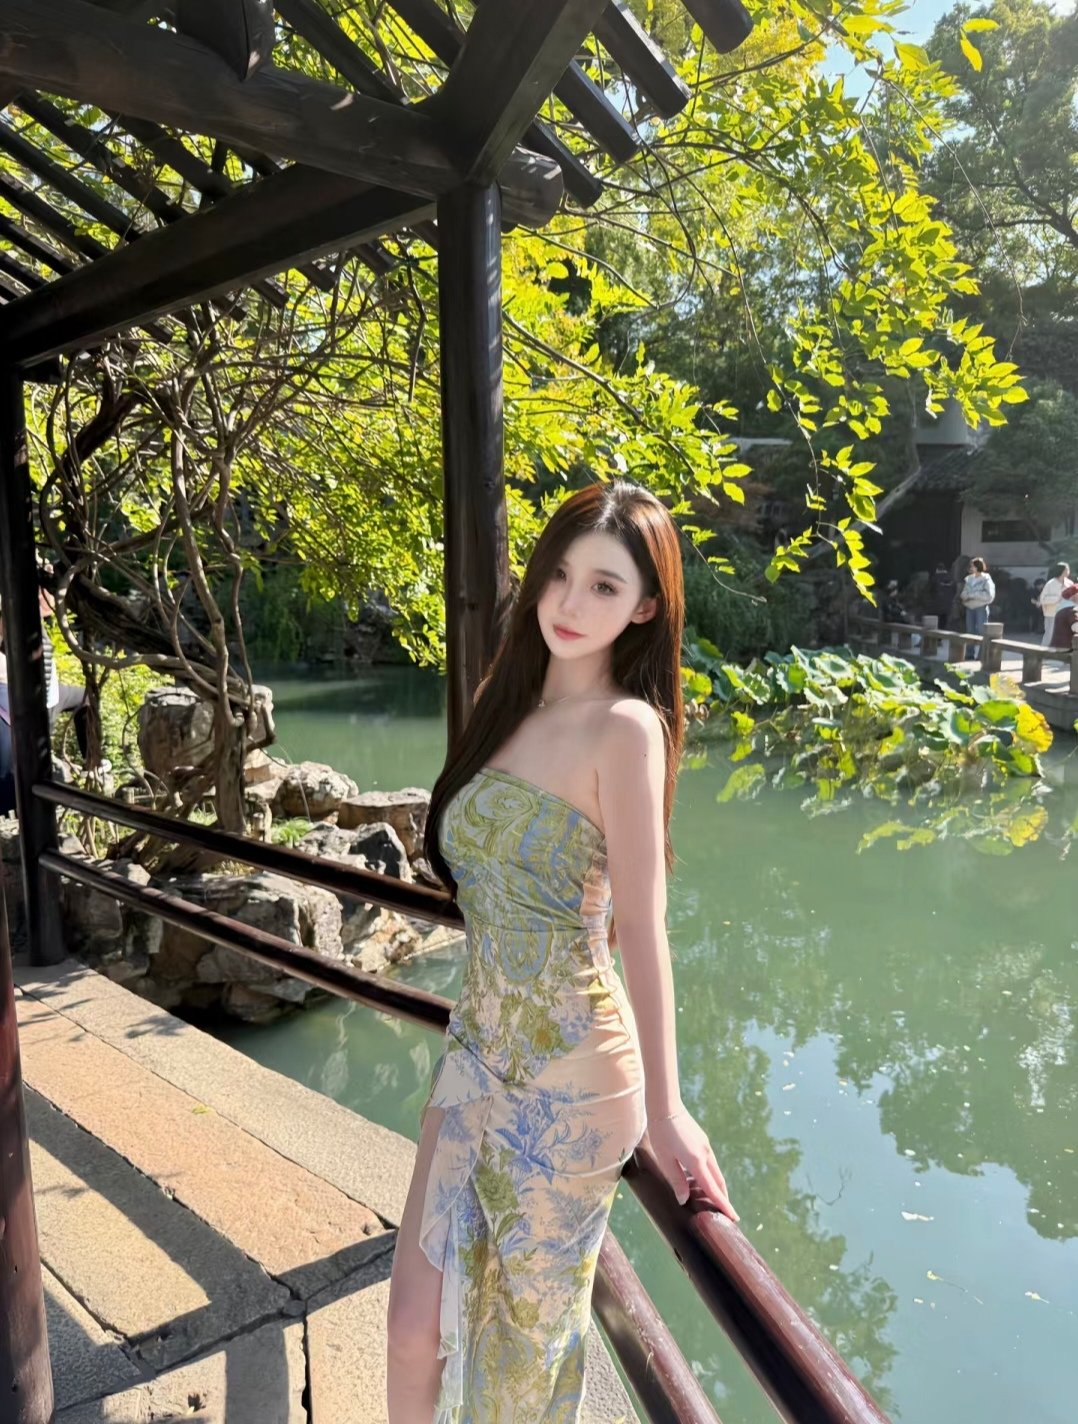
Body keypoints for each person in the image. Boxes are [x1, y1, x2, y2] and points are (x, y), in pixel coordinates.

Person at [387, 481, 737, 1423]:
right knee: (412, 1328)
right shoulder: (504, 708)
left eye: (605, 587)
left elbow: (643, 927)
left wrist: (667, 1108)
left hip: (571, 1079)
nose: (571, 605)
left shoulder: (626, 729)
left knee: (515, 1366)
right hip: (474, 1056)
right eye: (561, 576)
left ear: (646, 608)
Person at [960, 556, 995, 661]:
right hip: (969, 607)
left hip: (980, 607)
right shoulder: (969, 579)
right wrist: (965, 596)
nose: (971, 568)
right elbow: (964, 592)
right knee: (970, 631)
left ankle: (982, 655)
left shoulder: (986, 579)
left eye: (972, 566)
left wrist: (973, 595)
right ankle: (969, 654)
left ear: (978, 567)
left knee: (981, 631)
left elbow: (989, 595)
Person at [1035, 562, 1070, 647]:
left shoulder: (1069, 583)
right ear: (1061, 571)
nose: (1068, 571)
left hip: (1065, 614)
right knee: (1049, 636)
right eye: (1066, 569)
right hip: (1052, 614)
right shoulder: (1050, 584)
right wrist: (1057, 598)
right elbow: (1042, 599)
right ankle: (1043, 652)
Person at [929, 562, 957, 628]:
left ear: (937, 569)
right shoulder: (952, 578)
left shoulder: (934, 578)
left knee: (936, 623)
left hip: (937, 604)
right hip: (948, 604)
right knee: (945, 621)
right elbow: (955, 590)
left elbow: (930, 591)